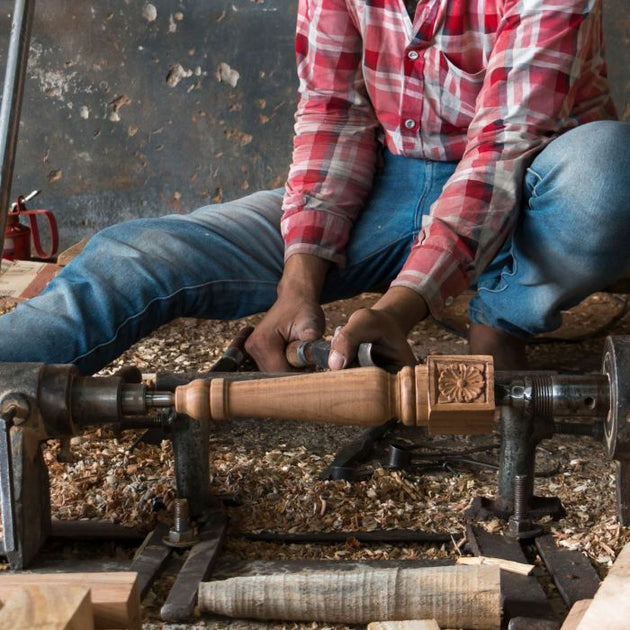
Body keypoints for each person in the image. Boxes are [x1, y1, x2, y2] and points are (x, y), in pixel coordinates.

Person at [0, 0, 628, 375]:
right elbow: (333, 114)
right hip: (392, 178)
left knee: (610, 172)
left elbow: (502, 148)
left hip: (535, 186)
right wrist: (298, 283)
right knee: (136, 254)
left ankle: (501, 319)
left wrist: (395, 309)